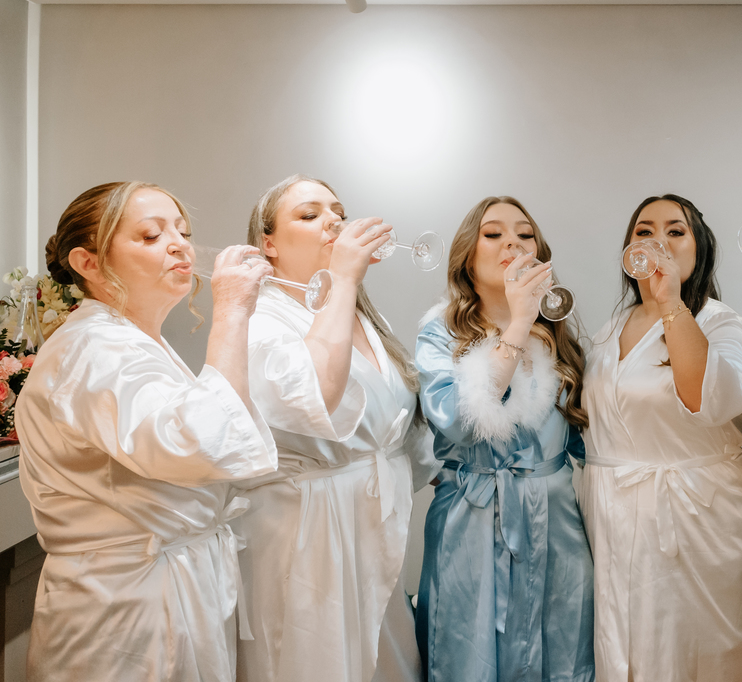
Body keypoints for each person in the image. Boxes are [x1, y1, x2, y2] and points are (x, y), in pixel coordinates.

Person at [17, 181, 278, 682]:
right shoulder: (92, 348)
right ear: (89, 264)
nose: (179, 245)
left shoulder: (131, 340)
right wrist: (231, 310)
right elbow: (196, 444)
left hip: (166, 585)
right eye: (151, 235)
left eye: (182, 231)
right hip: (125, 607)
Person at [234, 175, 438, 682]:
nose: (334, 222)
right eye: (309, 214)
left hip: (370, 532)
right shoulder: (260, 320)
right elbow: (310, 397)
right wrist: (345, 278)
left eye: (338, 212)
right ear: (268, 243)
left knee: (385, 661)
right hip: (305, 535)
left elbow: (398, 427)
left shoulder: (362, 316)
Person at [414, 196, 594, 682]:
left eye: (525, 234)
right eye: (493, 234)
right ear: (467, 258)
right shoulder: (440, 332)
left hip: (555, 518)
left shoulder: (558, 337)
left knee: (561, 644)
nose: (512, 243)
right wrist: (518, 323)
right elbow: (457, 421)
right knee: (467, 651)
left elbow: (588, 439)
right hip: (470, 518)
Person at [581, 194, 742, 682]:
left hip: (696, 517)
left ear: (699, 248)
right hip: (614, 515)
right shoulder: (610, 328)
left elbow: (714, 400)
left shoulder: (718, 321)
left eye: (675, 231)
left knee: (696, 649)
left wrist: (671, 303)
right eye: (644, 231)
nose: (657, 241)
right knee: (626, 647)